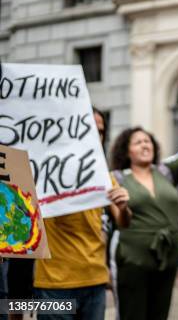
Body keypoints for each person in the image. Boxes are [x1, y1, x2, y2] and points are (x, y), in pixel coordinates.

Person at [109, 109, 178, 320]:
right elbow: (121, 222)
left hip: (168, 258)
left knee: (160, 314)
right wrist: (122, 207)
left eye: (147, 141)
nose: (145, 145)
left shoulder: (165, 171)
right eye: (138, 142)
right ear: (126, 151)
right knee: (132, 314)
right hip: (133, 260)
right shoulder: (117, 178)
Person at [33, 108, 132, 320]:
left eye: (101, 130)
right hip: (54, 283)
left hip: (94, 280)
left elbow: (123, 222)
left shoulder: (104, 176)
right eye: (90, 128)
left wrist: (124, 207)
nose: (96, 135)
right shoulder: (45, 171)